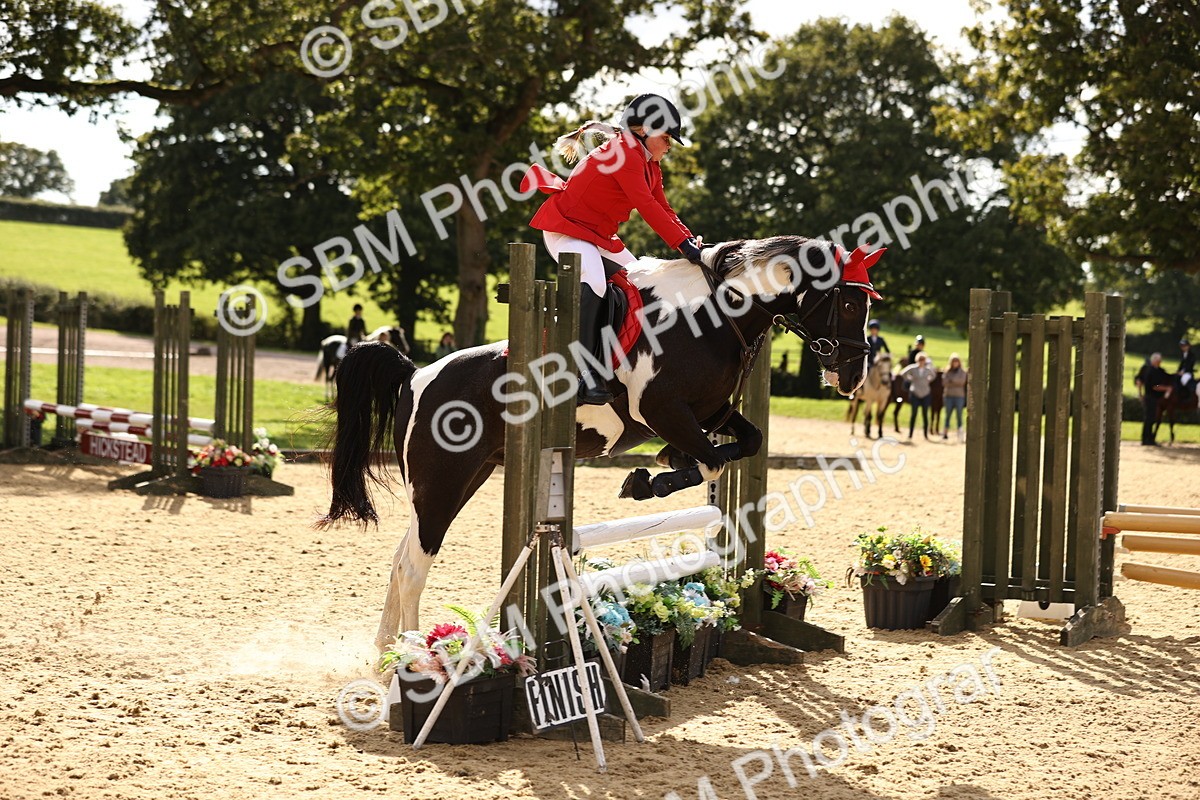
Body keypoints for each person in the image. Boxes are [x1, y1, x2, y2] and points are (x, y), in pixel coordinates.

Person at [522, 93, 701, 405]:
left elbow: (664, 208)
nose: (670, 145)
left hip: (599, 237)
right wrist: (683, 247)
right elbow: (646, 206)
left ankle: (620, 360)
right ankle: (583, 374)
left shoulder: (649, 164)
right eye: (667, 137)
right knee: (594, 283)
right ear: (645, 130)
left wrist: (690, 241)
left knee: (641, 280)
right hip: (568, 230)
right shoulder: (624, 152)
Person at [1135, 353, 1171, 446]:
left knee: (1150, 418)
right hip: (1151, 397)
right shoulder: (1151, 371)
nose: (1160, 362)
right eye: (1159, 360)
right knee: (1150, 418)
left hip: (1151, 397)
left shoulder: (1156, 370)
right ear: (1155, 361)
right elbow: (1155, 386)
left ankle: (1147, 439)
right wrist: (1165, 388)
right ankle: (1147, 440)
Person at [899, 353, 936, 440]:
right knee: (914, 414)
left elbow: (933, 376)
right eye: (920, 360)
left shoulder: (927, 370)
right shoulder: (913, 368)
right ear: (917, 360)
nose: (921, 362)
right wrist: (909, 379)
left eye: (923, 360)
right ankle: (910, 434)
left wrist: (928, 380)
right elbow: (903, 373)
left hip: (925, 393)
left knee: (925, 414)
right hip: (915, 393)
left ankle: (925, 434)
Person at [941, 354, 968, 441]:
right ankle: (945, 433)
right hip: (948, 396)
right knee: (947, 415)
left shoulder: (962, 372)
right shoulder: (947, 371)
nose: (955, 363)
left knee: (959, 415)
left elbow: (962, 382)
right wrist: (955, 381)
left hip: (959, 396)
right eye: (953, 361)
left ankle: (960, 434)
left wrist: (951, 380)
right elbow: (944, 382)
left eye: (956, 361)